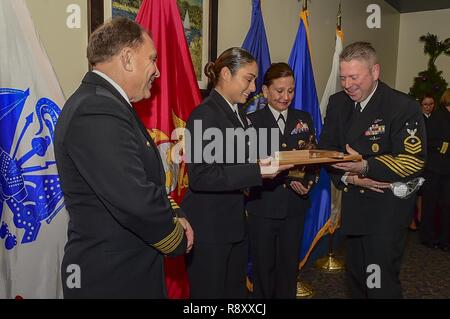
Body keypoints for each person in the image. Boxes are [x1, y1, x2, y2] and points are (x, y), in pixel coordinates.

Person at [54, 17, 193, 298]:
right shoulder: (96, 108)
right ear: (128, 58)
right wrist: (176, 238)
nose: (156, 70)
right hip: (111, 278)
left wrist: (176, 212)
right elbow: (134, 198)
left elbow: (146, 177)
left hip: (127, 271)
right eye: (152, 59)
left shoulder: (111, 104)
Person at [181, 48, 291, 298]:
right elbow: (202, 176)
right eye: (248, 79)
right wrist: (257, 171)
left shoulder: (237, 113)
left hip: (233, 225)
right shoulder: (204, 115)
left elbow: (234, 162)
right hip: (210, 230)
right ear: (225, 74)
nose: (253, 88)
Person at [319, 42, 426, 298]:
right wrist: (351, 178)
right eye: (343, 77)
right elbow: (327, 151)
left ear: (375, 71)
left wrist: (366, 166)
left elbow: (413, 160)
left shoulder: (402, 106)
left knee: (379, 283)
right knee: (355, 279)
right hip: (354, 207)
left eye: (354, 77)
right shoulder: (338, 103)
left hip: (386, 211)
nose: (347, 84)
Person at [246, 62, 319, 298]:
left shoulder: (303, 118)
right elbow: (248, 166)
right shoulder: (251, 121)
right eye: (279, 91)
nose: (285, 97)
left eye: (291, 90)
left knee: (289, 267)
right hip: (263, 206)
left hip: (294, 207)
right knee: (263, 268)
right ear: (265, 91)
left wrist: (308, 184)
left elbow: (312, 157)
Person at [419, 88, 450, 251]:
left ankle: (444, 239)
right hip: (433, 168)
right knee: (430, 204)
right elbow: (426, 142)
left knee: (446, 206)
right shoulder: (437, 118)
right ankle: (428, 238)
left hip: (446, 169)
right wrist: (443, 146)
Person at [410, 94, 436, 231]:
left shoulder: (436, 119)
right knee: (414, 189)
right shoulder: (416, 119)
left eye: (431, 104)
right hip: (416, 158)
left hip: (430, 160)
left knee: (423, 190)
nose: (428, 107)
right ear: (421, 105)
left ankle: (420, 216)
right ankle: (411, 219)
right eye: (425, 104)